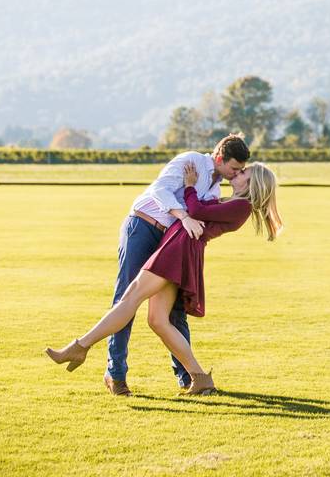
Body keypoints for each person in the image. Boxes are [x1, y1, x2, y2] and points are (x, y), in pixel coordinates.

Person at [46, 161, 283, 395]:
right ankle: (200, 378)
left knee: (130, 298)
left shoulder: (241, 207)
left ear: (253, 184)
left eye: (243, 172)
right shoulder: (233, 202)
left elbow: (197, 211)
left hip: (178, 250)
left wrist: (190, 185)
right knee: (158, 320)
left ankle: (80, 347)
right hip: (179, 247)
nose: (238, 173)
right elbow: (198, 211)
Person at [103, 134, 249, 396]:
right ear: (220, 158)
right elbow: (160, 190)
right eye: (234, 168)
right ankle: (116, 374)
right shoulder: (190, 161)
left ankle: (188, 377)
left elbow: (202, 215)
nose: (236, 174)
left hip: (168, 241)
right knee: (127, 298)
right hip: (143, 227)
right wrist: (182, 215)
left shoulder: (215, 188)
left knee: (175, 311)